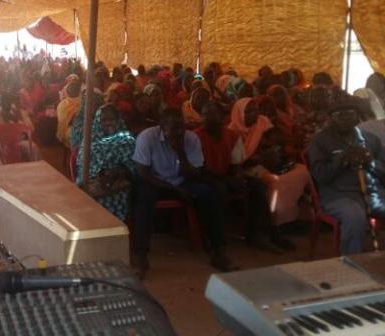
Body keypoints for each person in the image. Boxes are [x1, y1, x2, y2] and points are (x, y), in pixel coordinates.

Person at [132, 108, 234, 278]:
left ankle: (218, 251)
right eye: (174, 128)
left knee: (208, 194)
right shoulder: (147, 137)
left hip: (182, 180)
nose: (180, 132)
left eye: (182, 127)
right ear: (162, 128)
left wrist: (180, 152)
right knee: (143, 199)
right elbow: (143, 173)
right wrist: (173, 189)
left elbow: (196, 172)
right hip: (156, 181)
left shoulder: (190, 138)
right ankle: (141, 254)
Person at [194, 102, 282, 252]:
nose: (208, 117)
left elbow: (235, 164)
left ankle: (257, 234)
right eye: (205, 114)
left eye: (212, 113)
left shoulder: (231, 136)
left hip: (223, 175)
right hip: (202, 177)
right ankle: (216, 240)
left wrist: (236, 177)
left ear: (221, 117)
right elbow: (198, 169)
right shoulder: (196, 136)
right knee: (219, 190)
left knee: (257, 186)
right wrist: (227, 179)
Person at [309, 98, 385, 254]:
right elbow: (320, 176)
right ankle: (351, 263)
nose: (345, 117)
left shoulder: (371, 140)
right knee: (354, 216)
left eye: (350, 113)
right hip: (339, 196)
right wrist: (342, 159)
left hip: (373, 194)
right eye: (339, 114)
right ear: (331, 118)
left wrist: (370, 161)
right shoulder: (320, 141)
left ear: (358, 116)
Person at [228, 98, 310, 231]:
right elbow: (238, 162)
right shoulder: (232, 131)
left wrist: (273, 151)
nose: (253, 114)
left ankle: (292, 216)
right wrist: (262, 159)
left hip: (267, 162)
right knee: (275, 181)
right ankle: (276, 222)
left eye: (255, 110)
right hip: (247, 167)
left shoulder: (261, 123)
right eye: (248, 112)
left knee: (302, 170)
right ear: (239, 113)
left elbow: (274, 140)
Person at [75, 104, 134, 221]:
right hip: (92, 181)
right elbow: (83, 164)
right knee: (85, 194)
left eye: (112, 119)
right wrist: (100, 175)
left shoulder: (127, 139)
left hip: (118, 184)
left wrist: (116, 172)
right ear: (98, 122)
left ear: (118, 120)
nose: (108, 123)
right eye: (104, 120)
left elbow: (132, 166)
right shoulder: (89, 140)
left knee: (116, 197)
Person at [56, 81, 81, 147]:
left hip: (68, 132)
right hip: (83, 133)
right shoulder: (84, 102)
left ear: (67, 92)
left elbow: (61, 121)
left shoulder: (62, 105)